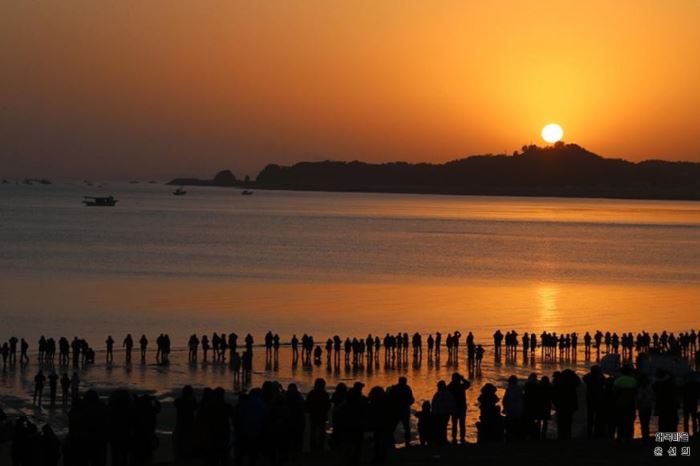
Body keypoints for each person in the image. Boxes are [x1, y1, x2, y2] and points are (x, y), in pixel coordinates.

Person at [305, 378, 331, 451]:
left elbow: (307, 405)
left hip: (314, 415)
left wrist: (309, 411)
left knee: (314, 431)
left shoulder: (312, 393)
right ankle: (320, 446)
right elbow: (328, 405)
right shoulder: (325, 394)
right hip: (321, 415)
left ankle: (313, 446)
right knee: (321, 432)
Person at [173, 385, 198, 459]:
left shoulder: (179, 401)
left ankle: (180, 456)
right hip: (189, 425)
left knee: (179, 442)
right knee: (188, 442)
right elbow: (195, 407)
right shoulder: (190, 402)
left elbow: (176, 403)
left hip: (181, 424)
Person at [447, 372, 470, 443]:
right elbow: (468, 384)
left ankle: (454, 438)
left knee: (455, 423)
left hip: (455, 408)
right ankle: (462, 438)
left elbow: (446, 388)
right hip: (461, 407)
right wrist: (462, 378)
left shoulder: (451, 386)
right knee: (461, 424)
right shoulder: (461, 386)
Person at [431, 380, 455, 445]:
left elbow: (434, 405)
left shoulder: (437, 394)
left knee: (440, 427)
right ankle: (443, 439)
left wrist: (434, 413)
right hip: (446, 414)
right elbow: (451, 403)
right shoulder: (448, 394)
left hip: (439, 414)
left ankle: (440, 440)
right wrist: (451, 411)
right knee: (444, 427)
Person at [503, 375, 524, 440]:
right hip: (518, 410)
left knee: (510, 426)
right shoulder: (519, 389)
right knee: (516, 425)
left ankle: (510, 437)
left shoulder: (509, 389)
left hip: (510, 411)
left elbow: (505, 400)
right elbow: (522, 399)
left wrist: (505, 408)